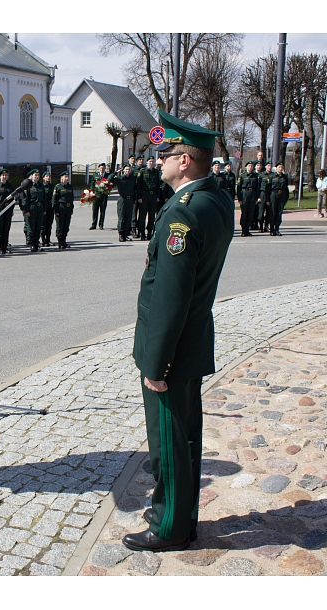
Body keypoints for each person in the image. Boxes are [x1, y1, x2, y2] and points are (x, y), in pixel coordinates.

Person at [122, 110, 233, 553]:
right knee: (186, 436)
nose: (159, 160)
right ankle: (184, 517)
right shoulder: (216, 199)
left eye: (165, 153)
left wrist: (155, 361)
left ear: (185, 160)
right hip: (193, 339)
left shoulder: (181, 216)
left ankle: (168, 526)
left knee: (168, 441)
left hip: (171, 346)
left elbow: (170, 296)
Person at [20, 169, 45, 252]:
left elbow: (44, 198)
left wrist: (44, 209)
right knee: (31, 227)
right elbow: (24, 199)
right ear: (32, 176)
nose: (37, 177)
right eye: (35, 175)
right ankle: (32, 244)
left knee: (38, 227)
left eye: (38, 175)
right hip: (31, 208)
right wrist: (25, 210)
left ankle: (36, 243)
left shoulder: (41, 186)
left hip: (40, 208)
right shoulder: (28, 186)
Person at [137, 156, 161, 240]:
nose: (151, 163)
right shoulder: (142, 171)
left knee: (152, 216)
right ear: (147, 162)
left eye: (152, 161)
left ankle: (150, 232)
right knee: (142, 215)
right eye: (150, 161)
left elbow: (158, 185)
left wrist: (157, 196)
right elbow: (139, 185)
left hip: (153, 195)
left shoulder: (156, 172)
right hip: (144, 195)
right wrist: (139, 197)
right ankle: (142, 233)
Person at [0, 168, 15, 254]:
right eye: (3, 175)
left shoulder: (10, 186)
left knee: (6, 228)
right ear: (0, 176)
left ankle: (5, 246)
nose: (5, 177)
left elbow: (13, 199)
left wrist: (12, 210)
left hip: (8, 210)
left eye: (6, 175)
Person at [52, 171, 75, 248]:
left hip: (68, 208)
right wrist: (56, 210)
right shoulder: (58, 187)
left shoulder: (70, 187)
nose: (67, 178)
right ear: (61, 178)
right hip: (60, 208)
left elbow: (72, 198)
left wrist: (71, 209)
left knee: (66, 225)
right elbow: (54, 200)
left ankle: (64, 241)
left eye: (67, 177)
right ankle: (60, 242)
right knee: (60, 226)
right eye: (65, 177)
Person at [114, 164, 136, 242]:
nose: (127, 171)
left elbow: (135, 190)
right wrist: (116, 172)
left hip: (130, 200)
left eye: (129, 170)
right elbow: (110, 179)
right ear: (123, 170)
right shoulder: (120, 178)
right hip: (122, 199)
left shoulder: (132, 178)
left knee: (128, 218)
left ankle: (126, 234)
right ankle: (121, 234)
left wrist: (134, 201)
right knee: (122, 218)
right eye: (126, 169)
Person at [236, 161, 259, 236]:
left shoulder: (255, 176)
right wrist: (239, 198)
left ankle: (247, 230)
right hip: (244, 194)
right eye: (249, 166)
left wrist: (257, 198)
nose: (250, 167)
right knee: (244, 213)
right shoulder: (242, 176)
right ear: (246, 167)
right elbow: (239, 187)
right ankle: (243, 230)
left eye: (251, 166)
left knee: (250, 213)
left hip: (252, 194)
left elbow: (257, 187)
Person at [270, 161, 290, 236]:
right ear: (276, 168)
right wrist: (268, 199)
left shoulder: (284, 177)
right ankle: (272, 229)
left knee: (279, 212)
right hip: (273, 195)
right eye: (279, 167)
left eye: (282, 167)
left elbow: (286, 188)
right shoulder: (272, 176)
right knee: (273, 212)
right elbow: (268, 188)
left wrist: (286, 198)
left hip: (281, 195)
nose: (280, 169)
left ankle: (277, 229)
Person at [89, 162, 110, 230]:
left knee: (102, 210)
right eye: (101, 168)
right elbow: (92, 184)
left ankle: (101, 224)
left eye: (103, 168)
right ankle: (94, 224)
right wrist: (92, 191)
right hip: (96, 195)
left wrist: (107, 188)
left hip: (104, 196)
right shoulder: (95, 175)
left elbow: (111, 184)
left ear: (105, 168)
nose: (102, 169)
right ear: (99, 168)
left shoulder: (107, 175)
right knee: (95, 210)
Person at [258, 161, 274, 233]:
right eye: (268, 166)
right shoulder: (261, 175)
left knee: (269, 211)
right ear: (265, 167)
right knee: (261, 212)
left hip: (270, 194)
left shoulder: (273, 175)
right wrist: (258, 197)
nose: (269, 167)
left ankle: (266, 226)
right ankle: (261, 226)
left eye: (270, 166)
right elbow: (258, 186)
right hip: (263, 194)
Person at [41, 171, 54, 247]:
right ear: (43, 178)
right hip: (44, 207)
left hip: (50, 206)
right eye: (46, 176)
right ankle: (43, 240)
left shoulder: (52, 187)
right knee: (43, 225)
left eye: (49, 176)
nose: (48, 178)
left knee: (49, 224)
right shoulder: (42, 187)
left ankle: (48, 239)